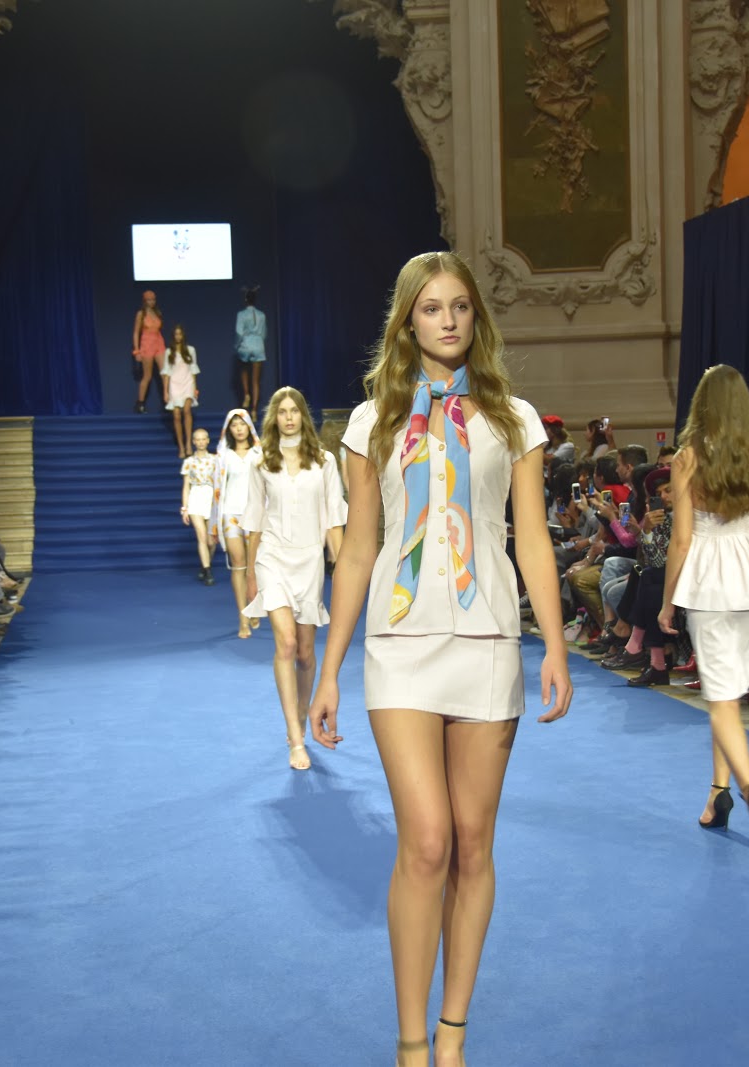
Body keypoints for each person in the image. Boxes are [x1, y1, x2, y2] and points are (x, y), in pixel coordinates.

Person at [309, 251, 571, 1067]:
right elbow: (358, 548)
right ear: (407, 321)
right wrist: (328, 668)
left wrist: (556, 645)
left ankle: (453, 1031)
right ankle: (411, 1042)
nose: (448, 319)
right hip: (399, 644)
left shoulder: (514, 419)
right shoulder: (371, 422)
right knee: (425, 840)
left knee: (472, 842)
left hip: (489, 640)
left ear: (475, 316)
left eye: (460, 305)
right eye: (431, 307)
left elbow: (532, 539)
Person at [655, 366, 749, 844]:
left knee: (721, 700)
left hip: (709, 583)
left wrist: (667, 602)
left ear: (703, 404)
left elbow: (681, 539)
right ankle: (718, 795)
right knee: (727, 692)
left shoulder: (688, 458)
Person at [242, 388, 346, 771]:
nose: (288, 417)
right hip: (272, 557)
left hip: (309, 561)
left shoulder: (324, 461)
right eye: (282, 411)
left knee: (305, 653)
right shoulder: (260, 462)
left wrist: (344, 569)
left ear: (304, 415)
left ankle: (302, 713)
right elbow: (254, 522)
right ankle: (295, 738)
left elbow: (334, 520)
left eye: (294, 411)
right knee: (285, 643)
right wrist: (251, 575)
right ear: (274, 417)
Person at [210, 408, 262, 638]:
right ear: (228, 429)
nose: (239, 429)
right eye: (234, 425)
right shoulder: (223, 456)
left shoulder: (260, 453)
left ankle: (254, 606)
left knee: (254, 566)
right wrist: (213, 525)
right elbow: (216, 492)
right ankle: (243, 619)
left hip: (255, 514)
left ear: (249, 426)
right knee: (238, 564)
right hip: (230, 514)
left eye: (242, 424)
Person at [180, 428, 218, 586]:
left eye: (204, 439)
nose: (201, 442)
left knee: (211, 541)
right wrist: (185, 508)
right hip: (196, 498)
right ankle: (208, 571)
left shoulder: (216, 459)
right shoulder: (189, 462)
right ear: (194, 442)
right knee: (201, 536)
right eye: (198, 439)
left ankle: (205, 565)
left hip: (212, 498)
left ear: (208, 440)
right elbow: (186, 486)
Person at [163, 325, 201, 459]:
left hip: (187, 383)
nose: (178, 336)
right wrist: (165, 391)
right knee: (176, 416)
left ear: (183, 335)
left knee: (187, 411)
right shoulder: (169, 352)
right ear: (173, 336)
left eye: (180, 334)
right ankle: (181, 447)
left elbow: (193, 369)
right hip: (174, 385)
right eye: (176, 334)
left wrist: (195, 388)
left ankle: (189, 444)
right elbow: (167, 373)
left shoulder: (190, 350)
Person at [132, 290, 166, 414]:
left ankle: (168, 401)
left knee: (165, 374)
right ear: (145, 301)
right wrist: (137, 351)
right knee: (147, 376)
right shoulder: (141, 314)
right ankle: (140, 404)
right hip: (147, 344)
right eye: (149, 300)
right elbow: (136, 333)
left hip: (159, 343)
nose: (151, 302)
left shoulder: (157, 313)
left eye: (153, 299)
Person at [235, 286, 267, 412]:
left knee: (243, 370)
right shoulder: (262, 315)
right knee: (256, 381)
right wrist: (259, 342)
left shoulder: (241, 314)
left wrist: (237, 346)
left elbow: (239, 332)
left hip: (246, 345)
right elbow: (264, 333)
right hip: (258, 345)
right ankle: (254, 410)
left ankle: (246, 393)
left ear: (245, 300)